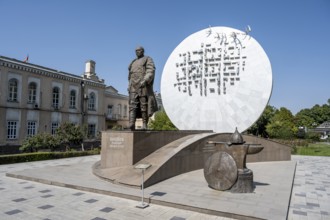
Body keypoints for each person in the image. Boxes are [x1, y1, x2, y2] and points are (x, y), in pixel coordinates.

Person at [128, 46, 158, 130]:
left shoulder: (147, 59)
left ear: (142, 51)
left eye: (139, 50)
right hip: (133, 86)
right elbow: (130, 75)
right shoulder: (133, 62)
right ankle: (132, 124)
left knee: (143, 105)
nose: (137, 52)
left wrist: (145, 80)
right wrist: (129, 85)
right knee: (132, 105)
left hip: (142, 85)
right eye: (136, 51)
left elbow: (150, 70)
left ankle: (145, 124)